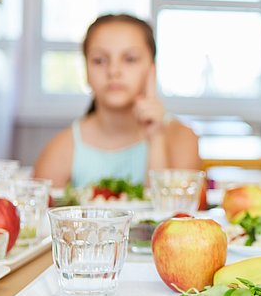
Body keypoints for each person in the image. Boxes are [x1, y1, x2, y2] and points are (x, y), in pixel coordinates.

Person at [33, 14, 201, 188]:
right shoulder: (61, 149)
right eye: (99, 60)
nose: (113, 71)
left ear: (152, 69)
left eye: (130, 59)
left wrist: (156, 139)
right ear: (86, 71)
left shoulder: (182, 139)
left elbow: (174, 214)